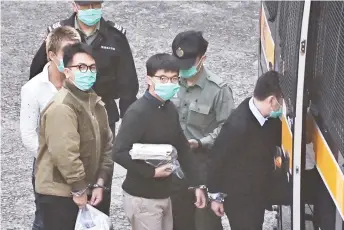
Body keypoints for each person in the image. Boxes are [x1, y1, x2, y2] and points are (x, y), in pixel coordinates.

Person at [29, 1, 139, 214]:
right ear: (74, 5)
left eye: (95, 5)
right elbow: (37, 73)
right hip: (66, 112)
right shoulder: (59, 34)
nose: (91, 10)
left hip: (102, 113)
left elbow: (128, 85)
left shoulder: (115, 37)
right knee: (62, 171)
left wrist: (131, 127)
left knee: (101, 177)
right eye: (85, 5)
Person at [112, 53, 206, 230]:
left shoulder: (169, 108)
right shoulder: (137, 113)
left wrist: (197, 184)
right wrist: (152, 172)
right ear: (149, 79)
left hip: (164, 195)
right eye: (162, 78)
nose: (169, 83)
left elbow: (183, 148)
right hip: (142, 198)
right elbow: (118, 152)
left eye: (173, 79)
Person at [35, 43, 114, 230]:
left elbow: (107, 145)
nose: (88, 72)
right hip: (60, 194)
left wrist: (100, 182)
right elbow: (66, 154)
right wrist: (79, 188)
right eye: (81, 67)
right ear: (67, 71)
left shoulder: (94, 102)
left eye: (92, 67)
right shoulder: (62, 107)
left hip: (86, 189)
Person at [170, 30, 234, 230]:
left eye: (188, 64)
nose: (182, 70)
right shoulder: (169, 83)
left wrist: (200, 142)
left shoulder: (218, 90)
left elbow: (227, 130)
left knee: (205, 222)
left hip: (203, 164)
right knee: (177, 220)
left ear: (202, 59)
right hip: (173, 165)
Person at [20, 26, 81, 230]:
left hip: (78, 164)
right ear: (51, 55)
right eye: (68, 53)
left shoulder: (83, 83)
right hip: (48, 169)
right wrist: (51, 158)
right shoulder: (33, 89)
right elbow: (28, 134)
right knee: (46, 221)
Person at [205, 70, 283, 230]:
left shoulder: (263, 114)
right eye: (281, 101)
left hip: (257, 190)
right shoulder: (237, 126)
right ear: (272, 100)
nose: (283, 105)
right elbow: (217, 160)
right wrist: (216, 197)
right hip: (241, 200)